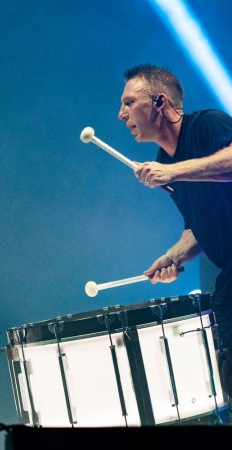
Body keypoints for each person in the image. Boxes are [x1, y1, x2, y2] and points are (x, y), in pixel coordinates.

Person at [118, 63, 232, 403]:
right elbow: (198, 227)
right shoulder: (164, 162)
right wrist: (173, 257)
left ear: (159, 102)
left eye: (129, 102)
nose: (122, 114)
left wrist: (174, 172)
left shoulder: (206, 123)